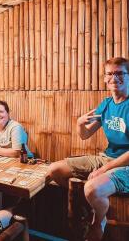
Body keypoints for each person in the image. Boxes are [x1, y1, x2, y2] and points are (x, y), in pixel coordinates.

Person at [48, 57, 129, 241]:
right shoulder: (107, 104)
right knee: (55, 170)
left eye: (120, 73)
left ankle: (98, 222)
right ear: (105, 78)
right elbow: (85, 135)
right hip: (107, 157)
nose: (114, 78)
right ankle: (91, 206)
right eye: (110, 74)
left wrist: (104, 169)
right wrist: (79, 124)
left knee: (92, 188)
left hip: (126, 164)